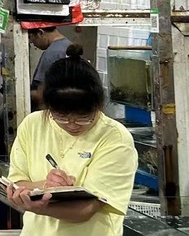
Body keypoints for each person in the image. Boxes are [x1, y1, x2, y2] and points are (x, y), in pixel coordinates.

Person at [7, 44, 136, 236]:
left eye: (84, 117)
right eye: (61, 116)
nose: (73, 125)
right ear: (48, 107)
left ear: (98, 106)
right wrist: (45, 186)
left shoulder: (115, 139)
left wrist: (40, 207)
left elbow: (86, 209)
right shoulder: (32, 125)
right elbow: (16, 183)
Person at [29, 26, 72, 108]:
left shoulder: (51, 54)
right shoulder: (70, 45)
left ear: (40, 33)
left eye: (31, 38)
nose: (33, 43)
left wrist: (23, 93)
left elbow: (40, 95)